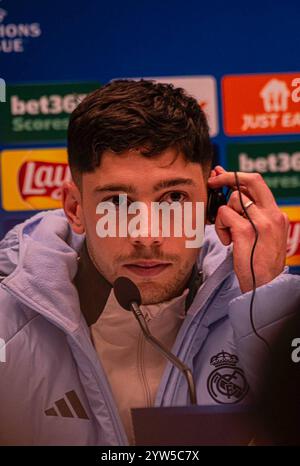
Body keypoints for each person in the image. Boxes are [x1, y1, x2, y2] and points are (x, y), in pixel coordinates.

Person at [0, 80, 299, 446]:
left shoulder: (269, 304)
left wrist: (267, 298)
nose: (147, 235)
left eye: (174, 198)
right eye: (117, 202)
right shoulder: (6, 316)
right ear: (76, 209)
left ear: (209, 203)